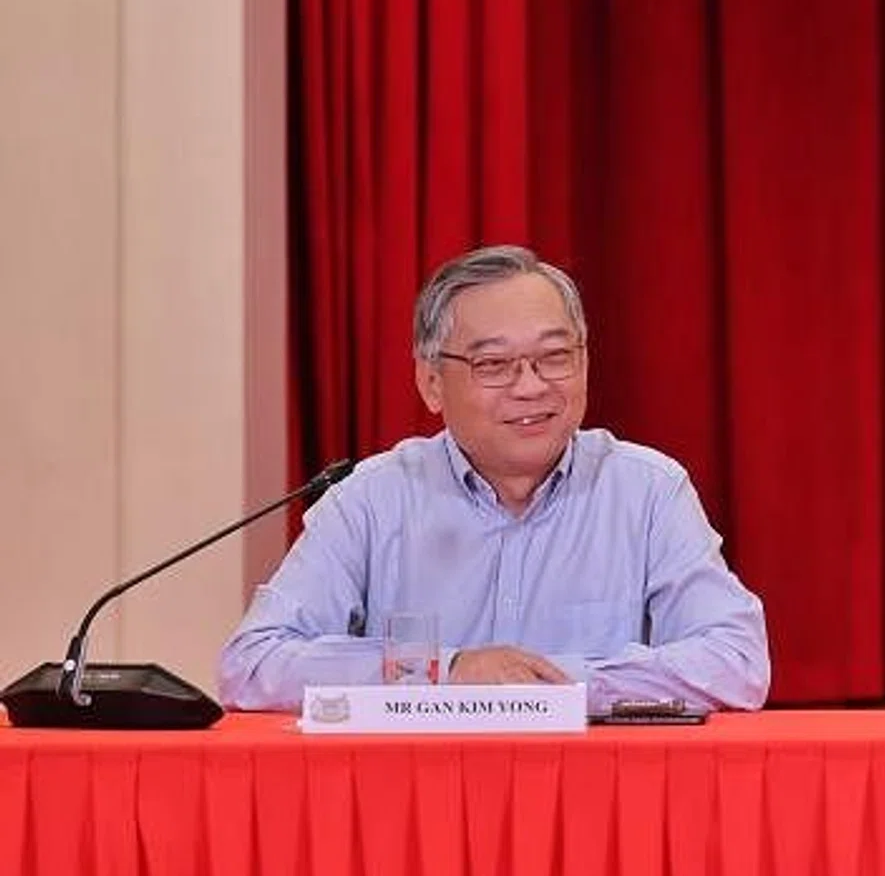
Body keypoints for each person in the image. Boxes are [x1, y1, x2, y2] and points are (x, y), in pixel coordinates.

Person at [218, 245, 771, 713]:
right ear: (432, 383)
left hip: (593, 803)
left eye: (555, 356)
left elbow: (736, 661)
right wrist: (446, 673)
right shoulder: (371, 499)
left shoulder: (646, 491)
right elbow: (252, 664)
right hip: (412, 804)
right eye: (493, 365)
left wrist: (551, 684)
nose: (530, 387)